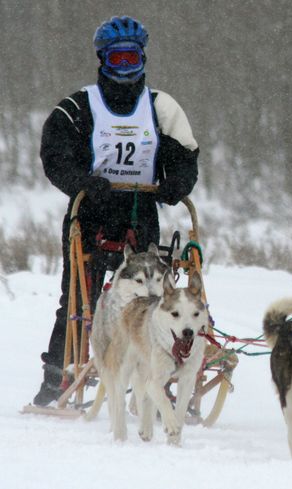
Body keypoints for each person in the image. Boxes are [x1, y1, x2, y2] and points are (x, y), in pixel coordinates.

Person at [33, 16, 200, 406]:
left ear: (142, 58)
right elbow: (53, 154)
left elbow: (185, 156)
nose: (125, 67)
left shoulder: (162, 106)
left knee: (151, 300)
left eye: (131, 57)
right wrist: (81, 182)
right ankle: (58, 378)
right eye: (117, 58)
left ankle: (155, 376)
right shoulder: (78, 106)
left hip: (139, 212)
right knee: (78, 299)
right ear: (103, 60)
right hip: (89, 211)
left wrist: (176, 185)